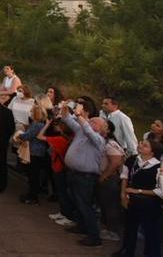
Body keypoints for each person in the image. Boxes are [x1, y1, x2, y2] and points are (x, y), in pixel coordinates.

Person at [61, 101, 108, 247]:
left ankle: (94, 236)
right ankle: (81, 226)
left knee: (85, 205)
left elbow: (87, 128)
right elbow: (67, 119)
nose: (89, 121)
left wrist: (80, 115)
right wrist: (65, 107)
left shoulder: (99, 140)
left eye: (93, 121)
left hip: (85, 177)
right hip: (74, 173)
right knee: (76, 201)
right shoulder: (82, 131)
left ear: (100, 129)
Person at [117, 139, 163, 257]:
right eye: (141, 143)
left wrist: (138, 191)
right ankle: (127, 251)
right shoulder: (132, 159)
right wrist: (123, 194)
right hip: (131, 200)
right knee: (129, 227)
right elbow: (125, 176)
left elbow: (161, 191)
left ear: (152, 152)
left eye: (145, 146)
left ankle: (149, 254)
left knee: (150, 230)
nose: (140, 146)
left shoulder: (159, 167)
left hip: (150, 203)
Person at [40, 118, 76, 226]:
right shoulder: (68, 138)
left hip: (59, 167)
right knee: (62, 192)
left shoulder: (60, 139)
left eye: (57, 125)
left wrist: (46, 125)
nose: (54, 127)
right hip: (60, 167)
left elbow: (40, 136)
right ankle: (63, 212)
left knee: (62, 193)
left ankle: (67, 215)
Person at [98, 119, 127, 242]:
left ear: (108, 129)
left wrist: (104, 176)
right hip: (106, 177)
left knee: (111, 205)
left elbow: (116, 162)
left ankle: (113, 231)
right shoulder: (103, 142)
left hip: (110, 178)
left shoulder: (111, 144)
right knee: (105, 204)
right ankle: (108, 228)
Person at [19, 104, 51, 205]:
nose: (30, 113)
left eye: (32, 111)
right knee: (33, 176)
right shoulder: (39, 124)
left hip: (35, 153)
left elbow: (28, 136)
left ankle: (33, 197)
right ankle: (31, 195)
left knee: (33, 176)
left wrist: (19, 135)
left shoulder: (37, 124)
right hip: (36, 152)